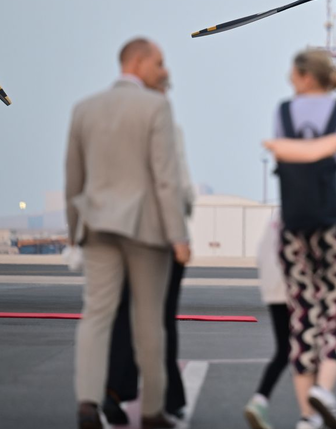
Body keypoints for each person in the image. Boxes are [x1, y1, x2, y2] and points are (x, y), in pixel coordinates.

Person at [65, 38, 192, 429]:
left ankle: (87, 403)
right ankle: (152, 412)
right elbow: (166, 179)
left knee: (96, 316)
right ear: (137, 62)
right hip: (145, 231)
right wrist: (179, 236)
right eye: (158, 62)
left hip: (98, 227)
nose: (163, 70)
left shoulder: (84, 109)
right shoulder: (156, 107)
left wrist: (74, 232)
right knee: (149, 322)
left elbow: (73, 178)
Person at [275, 48, 336, 429]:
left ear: (304, 76)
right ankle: (325, 389)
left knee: (302, 314)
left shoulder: (283, 113)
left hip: (293, 225)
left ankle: (306, 416)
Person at [103, 81, 196, 425]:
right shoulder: (169, 129)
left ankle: (114, 390)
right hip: (160, 236)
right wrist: (182, 230)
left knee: (124, 315)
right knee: (162, 320)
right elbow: (178, 184)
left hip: (124, 234)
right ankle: (168, 399)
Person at [243, 216, 291, 429]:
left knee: (283, 351)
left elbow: (261, 254)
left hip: (273, 290)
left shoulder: (276, 219)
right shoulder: (310, 214)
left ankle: (259, 400)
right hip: (297, 290)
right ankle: (312, 413)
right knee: (312, 351)